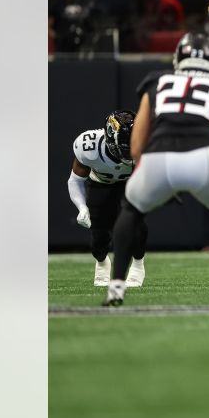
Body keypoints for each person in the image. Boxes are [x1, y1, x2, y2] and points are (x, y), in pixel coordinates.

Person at [105, 32, 209, 306]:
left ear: (178, 57)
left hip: (159, 154)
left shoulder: (156, 82)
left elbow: (136, 146)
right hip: (205, 156)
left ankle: (116, 288)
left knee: (131, 211)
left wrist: (151, 181)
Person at [68, 111, 149, 287]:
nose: (129, 152)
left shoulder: (146, 143)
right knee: (98, 237)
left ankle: (138, 263)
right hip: (100, 185)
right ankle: (102, 261)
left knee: (136, 224)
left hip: (130, 183)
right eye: (125, 147)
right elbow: (75, 180)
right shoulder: (89, 147)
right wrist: (82, 207)